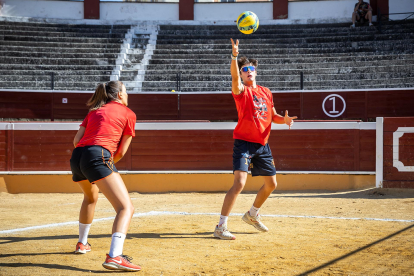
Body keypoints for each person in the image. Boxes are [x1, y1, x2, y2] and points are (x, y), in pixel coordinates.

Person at [213, 39, 297, 240]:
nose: (248, 71)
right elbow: (233, 77)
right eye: (244, 70)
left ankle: (252, 214)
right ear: (241, 74)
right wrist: (234, 56)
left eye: (251, 68)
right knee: (239, 183)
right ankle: (220, 226)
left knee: (272, 184)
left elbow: (272, 116)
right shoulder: (241, 91)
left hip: (262, 144)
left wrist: (283, 120)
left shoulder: (266, 92)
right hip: (243, 142)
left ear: (256, 71)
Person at [70, 81, 141, 271]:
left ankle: (82, 243)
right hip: (98, 156)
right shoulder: (129, 114)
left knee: (90, 197)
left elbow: (77, 140)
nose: (127, 95)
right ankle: (115, 256)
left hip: (77, 157)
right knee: (126, 207)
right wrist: (102, 167)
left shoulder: (94, 110)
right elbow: (120, 153)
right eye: (126, 92)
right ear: (119, 95)